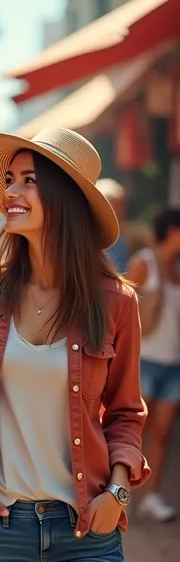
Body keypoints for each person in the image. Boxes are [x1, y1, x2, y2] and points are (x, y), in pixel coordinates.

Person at [0, 127, 150, 562]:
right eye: (9, 180)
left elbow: (127, 412)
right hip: (0, 526)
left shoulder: (115, 303)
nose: (10, 193)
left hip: (86, 528)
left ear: (63, 197)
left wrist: (119, 491)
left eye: (29, 181)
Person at [127, 207, 180, 522]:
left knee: (161, 433)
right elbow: (120, 308)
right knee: (131, 431)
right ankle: (117, 492)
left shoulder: (178, 267)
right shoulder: (144, 262)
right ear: (172, 230)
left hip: (173, 365)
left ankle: (151, 497)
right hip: (143, 360)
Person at [97, 177, 129, 273]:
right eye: (115, 207)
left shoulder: (123, 241)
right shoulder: (87, 239)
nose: (120, 213)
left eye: (121, 207)